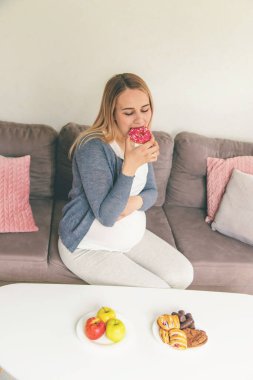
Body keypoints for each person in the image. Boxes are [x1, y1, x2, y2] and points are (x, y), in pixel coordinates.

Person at [58, 73, 193, 289]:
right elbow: (108, 215)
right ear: (112, 113)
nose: (140, 119)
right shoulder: (92, 148)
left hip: (132, 238)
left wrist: (130, 204)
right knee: (157, 291)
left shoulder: (141, 139)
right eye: (129, 112)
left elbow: (151, 193)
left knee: (183, 275)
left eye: (145, 109)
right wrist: (130, 165)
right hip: (89, 246)